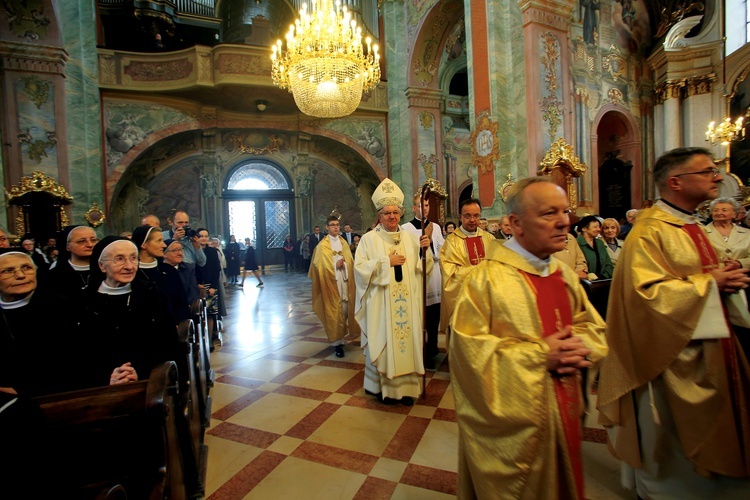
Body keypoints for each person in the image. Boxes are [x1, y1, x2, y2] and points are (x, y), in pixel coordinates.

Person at [598, 147, 750, 497]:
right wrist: (711, 284)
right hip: (667, 358)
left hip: (706, 342)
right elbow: (645, 296)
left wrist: (718, 275)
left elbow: (685, 273)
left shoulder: (689, 223)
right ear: (676, 182)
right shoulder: (649, 231)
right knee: (672, 454)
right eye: (708, 171)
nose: (717, 176)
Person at [450, 177, 607, 499]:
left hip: (566, 413)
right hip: (517, 437)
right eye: (549, 213)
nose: (564, 221)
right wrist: (539, 356)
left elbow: (592, 328)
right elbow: (469, 355)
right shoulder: (486, 279)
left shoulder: (563, 275)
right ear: (516, 223)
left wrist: (581, 346)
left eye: (565, 211)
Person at [354, 178, 432, 406]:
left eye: (395, 212)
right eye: (387, 213)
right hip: (382, 306)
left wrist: (422, 253)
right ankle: (380, 387)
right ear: (379, 215)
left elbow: (421, 270)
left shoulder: (410, 238)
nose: (392, 217)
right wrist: (384, 262)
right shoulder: (369, 240)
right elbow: (359, 269)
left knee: (407, 343)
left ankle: (406, 390)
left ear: (401, 214)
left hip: (407, 305)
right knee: (385, 342)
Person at [402, 193, 445, 369]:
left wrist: (431, 247)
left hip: (433, 276)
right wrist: (421, 248)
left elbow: (442, 250)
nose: (424, 208)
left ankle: (432, 348)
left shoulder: (435, 226)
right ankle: (419, 350)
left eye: (426, 205)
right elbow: (406, 252)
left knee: (434, 316)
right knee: (419, 317)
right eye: (420, 205)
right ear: (414, 208)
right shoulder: (405, 228)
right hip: (417, 275)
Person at [309, 216, 361, 358]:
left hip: (344, 281)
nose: (336, 227)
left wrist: (343, 264)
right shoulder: (322, 246)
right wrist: (334, 265)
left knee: (344, 310)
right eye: (332, 225)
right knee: (333, 312)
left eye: (337, 225)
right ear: (327, 227)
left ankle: (342, 338)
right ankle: (337, 343)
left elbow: (350, 261)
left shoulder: (344, 243)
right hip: (331, 283)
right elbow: (318, 266)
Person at [439, 198, 496, 328]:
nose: (472, 219)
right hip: (464, 302)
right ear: (460, 217)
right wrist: (479, 270)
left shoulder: (489, 238)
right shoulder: (451, 242)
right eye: (467, 216)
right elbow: (450, 275)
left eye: (476, 215)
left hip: (487, 301)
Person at [131, 225, 189, 324]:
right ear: (143, 244)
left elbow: (182, 302)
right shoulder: (131, 272)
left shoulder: (169, 270)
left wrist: (179, 324)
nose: (164, 245)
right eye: (158, 241)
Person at [47, 225, 98, 297]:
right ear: (67, 246)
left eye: (93, 240)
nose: (90, 245)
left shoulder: (107, 270)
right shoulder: (54, 276)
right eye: (82, 241)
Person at [704, 197, 750, 268]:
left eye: (724, 210)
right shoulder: (701, 232)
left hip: (741, 275)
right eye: (715, 210)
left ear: (734, 214)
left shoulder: (747, 233)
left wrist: (740, 263)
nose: (719, 213)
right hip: (713, 275)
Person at [576, 215, 613, 280]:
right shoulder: (576, 243)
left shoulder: (600, 243)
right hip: (585, 283)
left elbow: (609, 265)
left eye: (599, 227)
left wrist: (602, 278)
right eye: (595, 227)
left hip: (602, 282)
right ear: (584, 229)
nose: (598, 229)